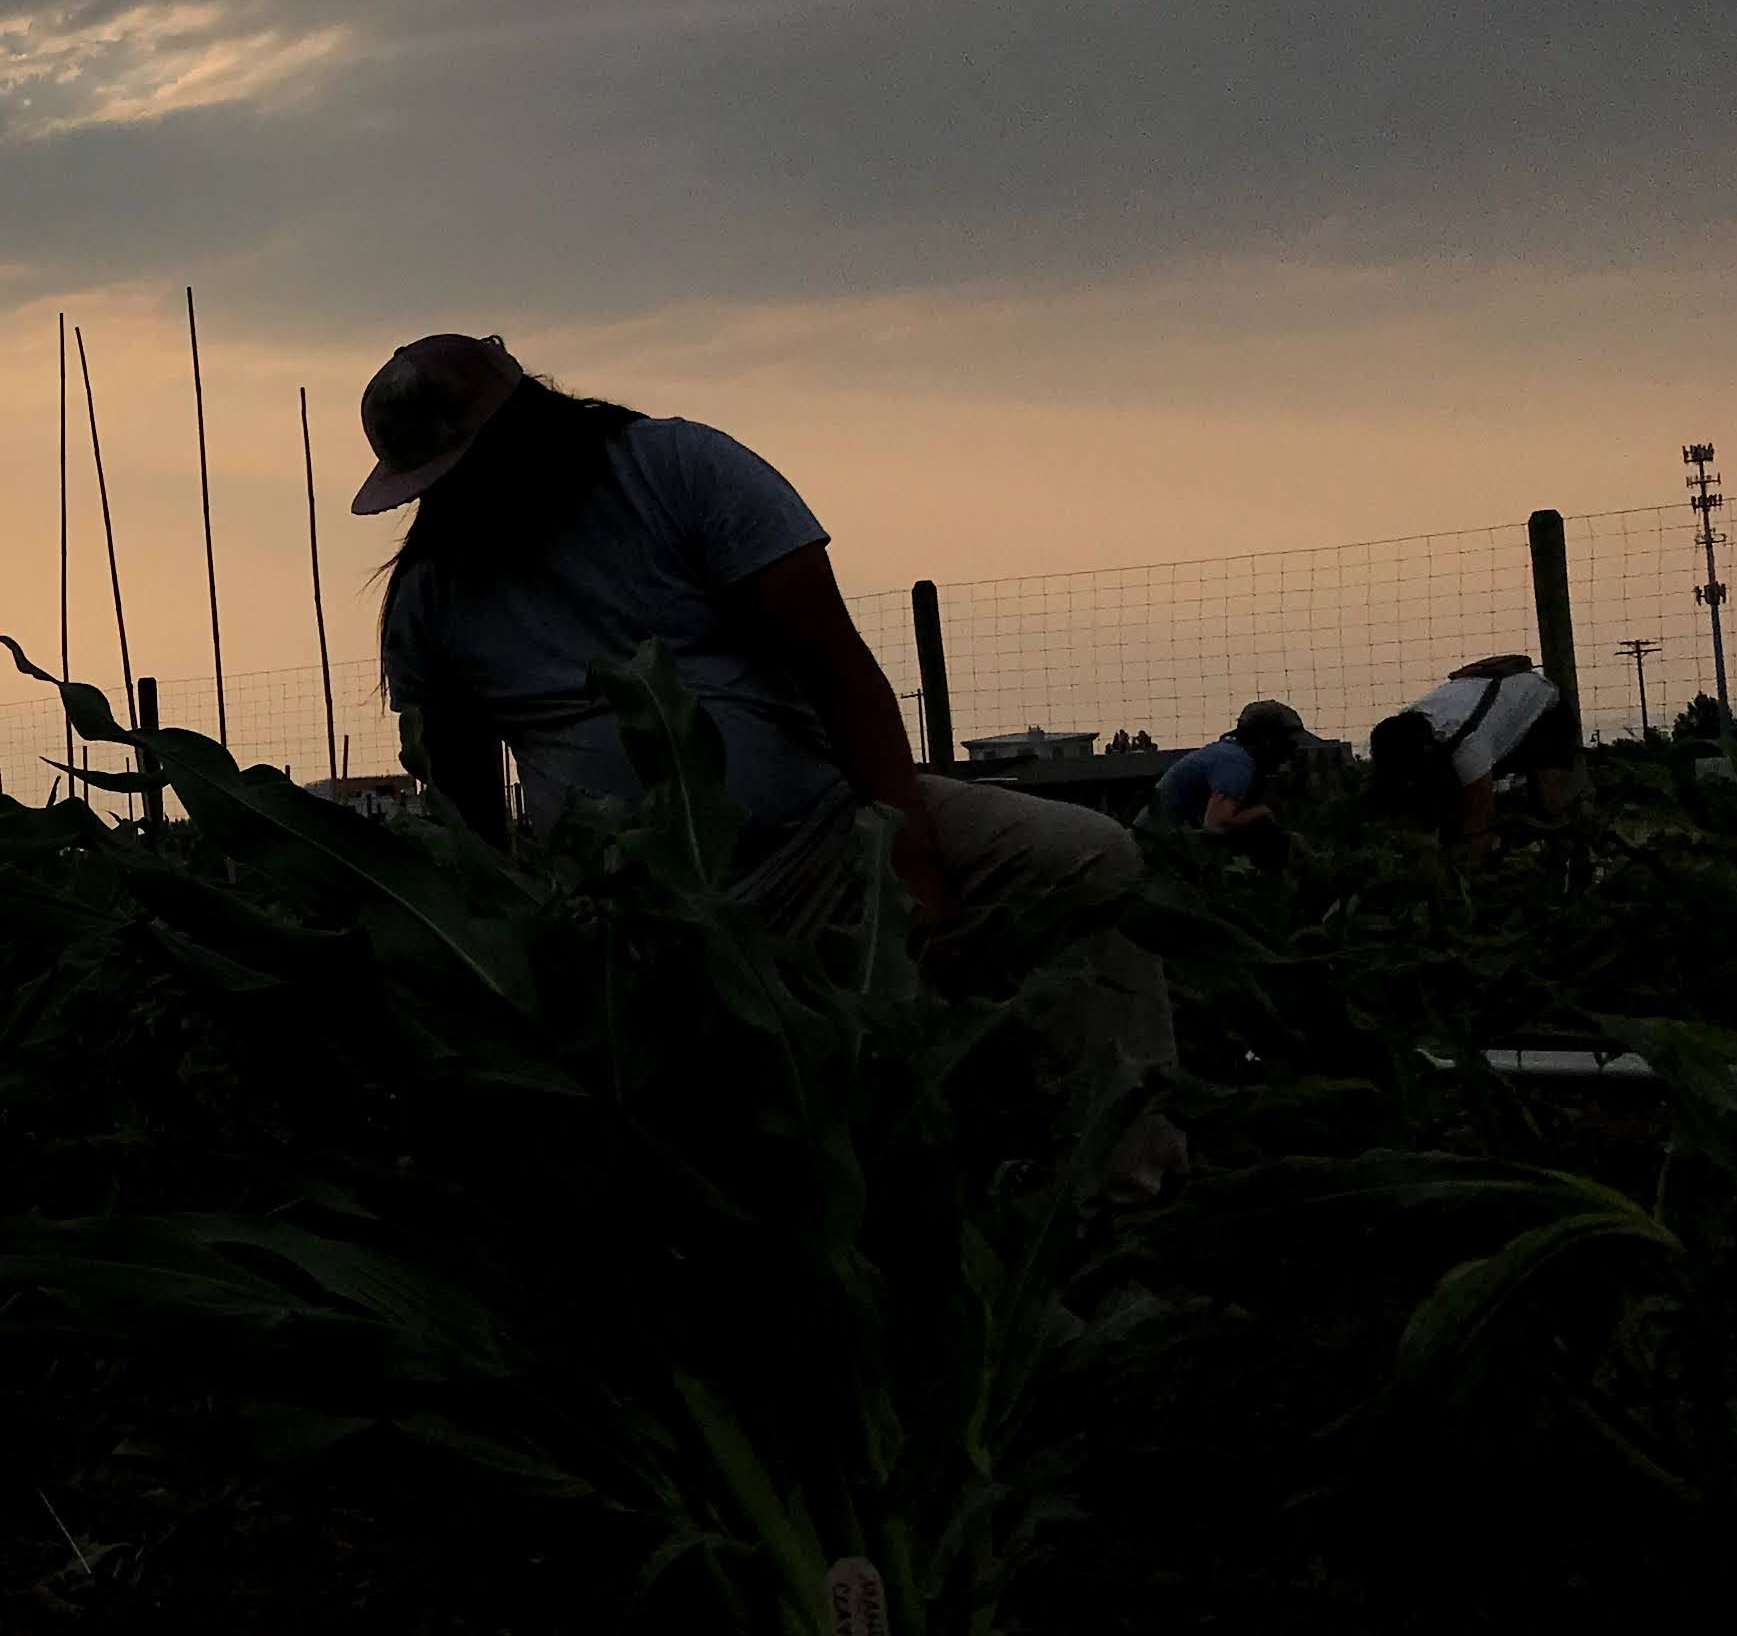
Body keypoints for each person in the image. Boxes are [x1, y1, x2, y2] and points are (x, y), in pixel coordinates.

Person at [360, 331, 1177, 1184]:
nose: (465, 495)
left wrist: (908, 853)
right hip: (636, 922)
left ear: (527, 422)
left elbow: (836, 665)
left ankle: (1120, 1192)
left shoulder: (677, 469)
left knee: (1086, 859)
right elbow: (468, 823)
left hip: (830, 839)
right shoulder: (434, 604)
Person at [1366, 655, 1581, 850]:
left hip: (1544, 714)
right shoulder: (1406, 727)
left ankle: (1571, 847)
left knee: (1549, 804)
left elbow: (1479, 819)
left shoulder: (1467, 746)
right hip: (1494, 717)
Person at [1158, 700, 1312, 842]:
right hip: (1148, 849)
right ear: (1266, 740)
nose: (1291, 754)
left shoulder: (1230, 754)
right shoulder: (1237, 764)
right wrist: (1261, 813)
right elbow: (1216, 826)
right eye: (1288, 745)